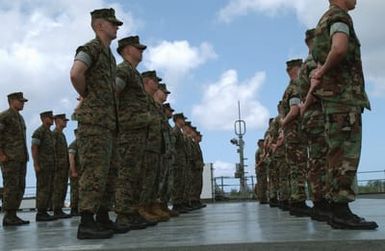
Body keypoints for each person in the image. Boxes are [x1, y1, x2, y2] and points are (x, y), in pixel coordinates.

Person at [304, 0, 377, 229]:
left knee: (335, 154)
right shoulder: (339, 17)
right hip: (343, 98)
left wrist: (319, 74)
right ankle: (341, 212)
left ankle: (337, 211)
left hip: (334, 100)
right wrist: (323, 71)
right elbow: (340, 47)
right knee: (345, 155)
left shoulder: (325, 19)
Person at [69, 8, 123, 239]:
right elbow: (75, 74)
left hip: (108, 123)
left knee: (108, 173)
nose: (117, 27)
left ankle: (102, 216)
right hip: (93, 123)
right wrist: (88, 95)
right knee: (93, 172)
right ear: (99, 25)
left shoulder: (109, 56)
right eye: (112, 23)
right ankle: (86, 222)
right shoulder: (90, 48)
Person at [114, 35, 156, 229]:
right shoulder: (123, 70)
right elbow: (113, 92)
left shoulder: (133, 73)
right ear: (126, 50)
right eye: (137, 48)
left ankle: (131, 212)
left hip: (137, 131)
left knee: (135, 174)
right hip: (128, 131)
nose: (141, 51)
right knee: (126, 174)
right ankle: (123, 215)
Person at [280, 59, 310, 217]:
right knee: (299, 167)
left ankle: (295, 200)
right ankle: (298, 202)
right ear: (296, 69)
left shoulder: (287, 89)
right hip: (296, 133)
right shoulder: (296, 87)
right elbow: (294, 110)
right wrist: (285, 122)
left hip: (291, 134)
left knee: (293, 168)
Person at [0, 92, 29, 226]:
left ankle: (13, 214)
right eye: (20, 101)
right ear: (12, 101)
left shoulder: (20, 118)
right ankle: (8, 216)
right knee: (11, 186)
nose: (23, 103)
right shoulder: (4, 116)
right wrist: (1, 154)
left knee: (20, 186)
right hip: (10, 158)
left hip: (21, 158)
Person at [32, 111, 56, 222]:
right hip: (43, 166)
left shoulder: (49, 133)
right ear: (43, 118)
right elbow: (34, 148)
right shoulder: (39, 132)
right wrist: (36, 164)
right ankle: (41, 213)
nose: (52, 120)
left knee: (48, 189)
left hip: (50, 166)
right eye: (50, 118)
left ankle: (44, 211)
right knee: (43, 189)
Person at [52, 114, 71, 219]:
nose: (65, 122)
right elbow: (52, 150)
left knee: (62, 188)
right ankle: (56, 210)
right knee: (58, 188)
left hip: (63, 167)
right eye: (63, 120)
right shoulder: (55, 134)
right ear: (57, 121)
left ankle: (59, 209)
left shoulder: (61, 134)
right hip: (58, 167)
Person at [68, 129, 80, 217]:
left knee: (79, 191)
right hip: (75, 172)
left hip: (80, 172)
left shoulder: (80, 145)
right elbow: (71, 159)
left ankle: (78, 208)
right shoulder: (74, 145)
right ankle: (74, 209)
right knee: (75, 191)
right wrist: (73, 171)